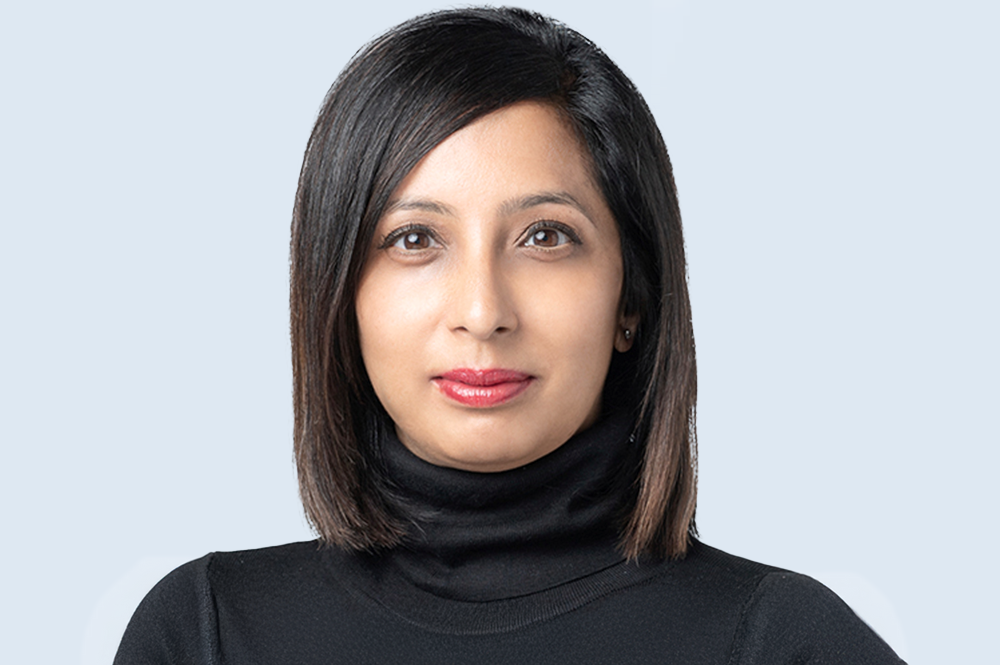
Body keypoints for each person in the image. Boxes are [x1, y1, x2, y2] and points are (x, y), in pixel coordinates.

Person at [115, 7, 904, 663]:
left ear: (631, 299)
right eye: (415, 240)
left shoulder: (782, 642)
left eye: (545, 237)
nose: (483, 310)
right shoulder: (207, 633)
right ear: (340, 294)